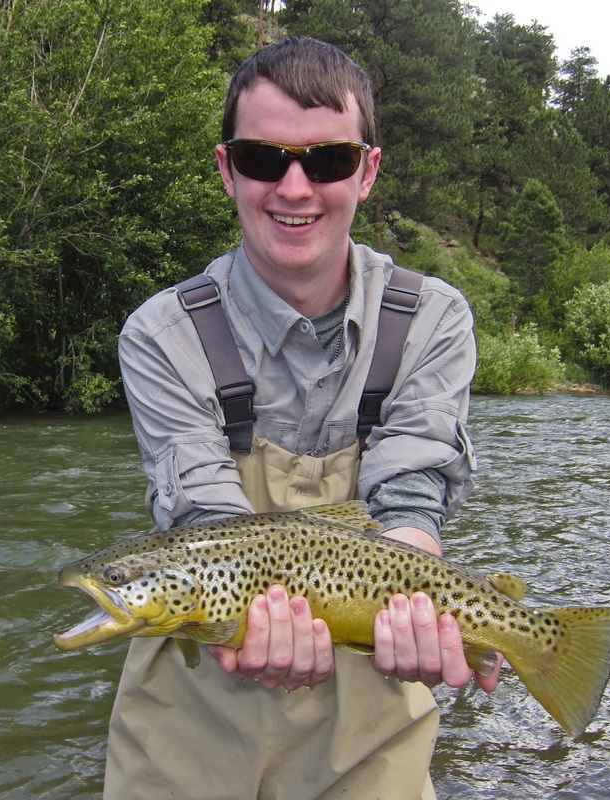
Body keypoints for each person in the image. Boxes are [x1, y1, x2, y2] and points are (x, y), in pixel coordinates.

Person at [110, 35, 500, 800]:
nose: (294, 188)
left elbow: (412, 488)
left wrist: (417, 589)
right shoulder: (161, 333)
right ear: (227, 170)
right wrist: (257, 616)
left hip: (371, 718)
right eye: (263, 160)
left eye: (325, 161)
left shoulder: (432, 318)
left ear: (368, 171)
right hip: (189, 720)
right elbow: (204, 518)